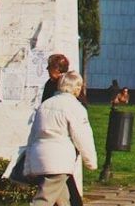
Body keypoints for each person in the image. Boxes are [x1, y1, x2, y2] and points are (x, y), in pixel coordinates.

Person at [22, 71, 97, 206]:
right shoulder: (75, 107)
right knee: (42, 200)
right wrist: (91, 161)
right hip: (59, 160)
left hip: (39, 156)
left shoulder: (44, 105)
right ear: (77, 88)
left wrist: (28, 164)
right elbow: (83, 137)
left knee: (63, 200)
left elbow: (32, 136)